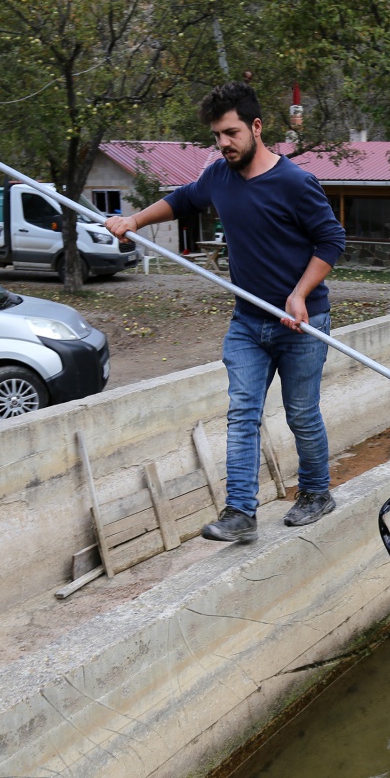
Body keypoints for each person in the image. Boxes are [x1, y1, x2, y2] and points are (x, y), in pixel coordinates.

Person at [106, 82, 346, 544]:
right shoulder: (218, 176)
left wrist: (299, 294)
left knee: (300, 413)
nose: (224, 143)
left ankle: (316, 493)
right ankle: (241, 512)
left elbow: (331, 241)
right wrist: (134, 221)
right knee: (242, 413)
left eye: (231, 133)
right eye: (217, 135)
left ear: (257, 127)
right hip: (248, 323)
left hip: (302, 321)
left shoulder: (295, 183)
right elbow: (181, 200)